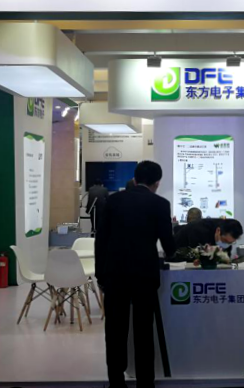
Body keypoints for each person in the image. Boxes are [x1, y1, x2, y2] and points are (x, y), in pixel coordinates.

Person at [95, 161, 176, 388]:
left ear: (135, 178)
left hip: (115, 275)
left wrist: (101, 275)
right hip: (144, 275)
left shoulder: (113, 201)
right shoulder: (160, 204)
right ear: (157, 183)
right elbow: (168, 245)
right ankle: (145, 383)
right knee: (143, 331)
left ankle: (116, 382)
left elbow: (101, 241)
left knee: (115, 330)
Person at [174, 218, 243, 251]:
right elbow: (198, 257)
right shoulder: (200, 231)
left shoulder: (228, 232)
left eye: (230, 242)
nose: (226, 244)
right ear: (218, 231)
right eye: (225, 241)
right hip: (178, 254)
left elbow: (225, 260)